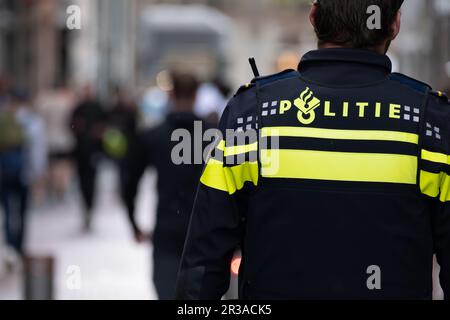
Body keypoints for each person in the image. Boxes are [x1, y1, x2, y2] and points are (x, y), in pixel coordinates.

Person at [177, 0, 450, 300]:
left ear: (313, 15)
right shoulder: (430, 122)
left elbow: (201, 267)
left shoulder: (252, 113)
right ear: (395, 24)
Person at [123, 73, 212, 300]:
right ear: (196, 95)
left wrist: (134, 223)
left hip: (167, 228)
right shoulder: (215, 135)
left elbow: (128, 180)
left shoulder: (154, 136)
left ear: (170, 94)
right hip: (205, 231)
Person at [69, 85, 106, 231]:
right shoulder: (79, 108)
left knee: (91, 182)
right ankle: (87, 208)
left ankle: (90, 208)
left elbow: (105, 125)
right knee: (83, 182)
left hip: (93, 151)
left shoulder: (97, 108)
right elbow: (71, 125)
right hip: (81, 151)